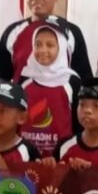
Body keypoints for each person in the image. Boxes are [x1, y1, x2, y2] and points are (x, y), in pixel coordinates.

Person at [0, 0, 92, 82]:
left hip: (62, 93)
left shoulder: (71, 32)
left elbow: (84, 79)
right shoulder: (13, 32)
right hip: (22, 93)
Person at [18, 16, 81, 157]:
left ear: (62, 47)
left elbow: (79, 124)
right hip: (26, 156)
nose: (42, 50)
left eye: (50, 45)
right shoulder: (24, 78)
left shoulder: (72, 82)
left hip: (61, 157)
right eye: (38, 44)